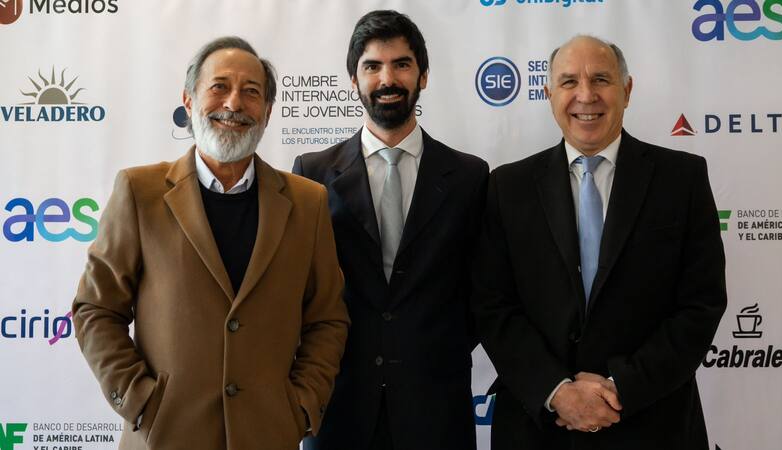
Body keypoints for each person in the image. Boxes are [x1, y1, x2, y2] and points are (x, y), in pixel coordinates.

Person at [72, 36, 349, 450]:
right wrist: (139, 401)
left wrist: (302, 406)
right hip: (163, 436)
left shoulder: (307, 203)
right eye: (219, 86)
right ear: (188, 100)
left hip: (269, 436)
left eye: (251, 92)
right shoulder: (138, 191)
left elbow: (327, 319)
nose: (234, 104)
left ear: (269, 112)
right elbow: (96, 308)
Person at [471, 35, 727, 449]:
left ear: (626, 91)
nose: (585, 95)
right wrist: (558, 393)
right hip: (538, 428)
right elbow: (492, 306)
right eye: (569, 82)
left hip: (653, 423)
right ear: (548, 93)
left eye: (601, 79)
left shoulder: (682, 179)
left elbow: (701, 303)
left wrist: (621, 386)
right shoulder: (508, 186)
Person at [293, 10, 488, 450]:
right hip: (339, 407)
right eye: (372, 66)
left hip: (437, 407)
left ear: (423, 76)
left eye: (402, 64)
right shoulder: (312, 175)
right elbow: (301, 291)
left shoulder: (470, 176)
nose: (388, 79)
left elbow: (483, 290)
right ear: (353, 79)